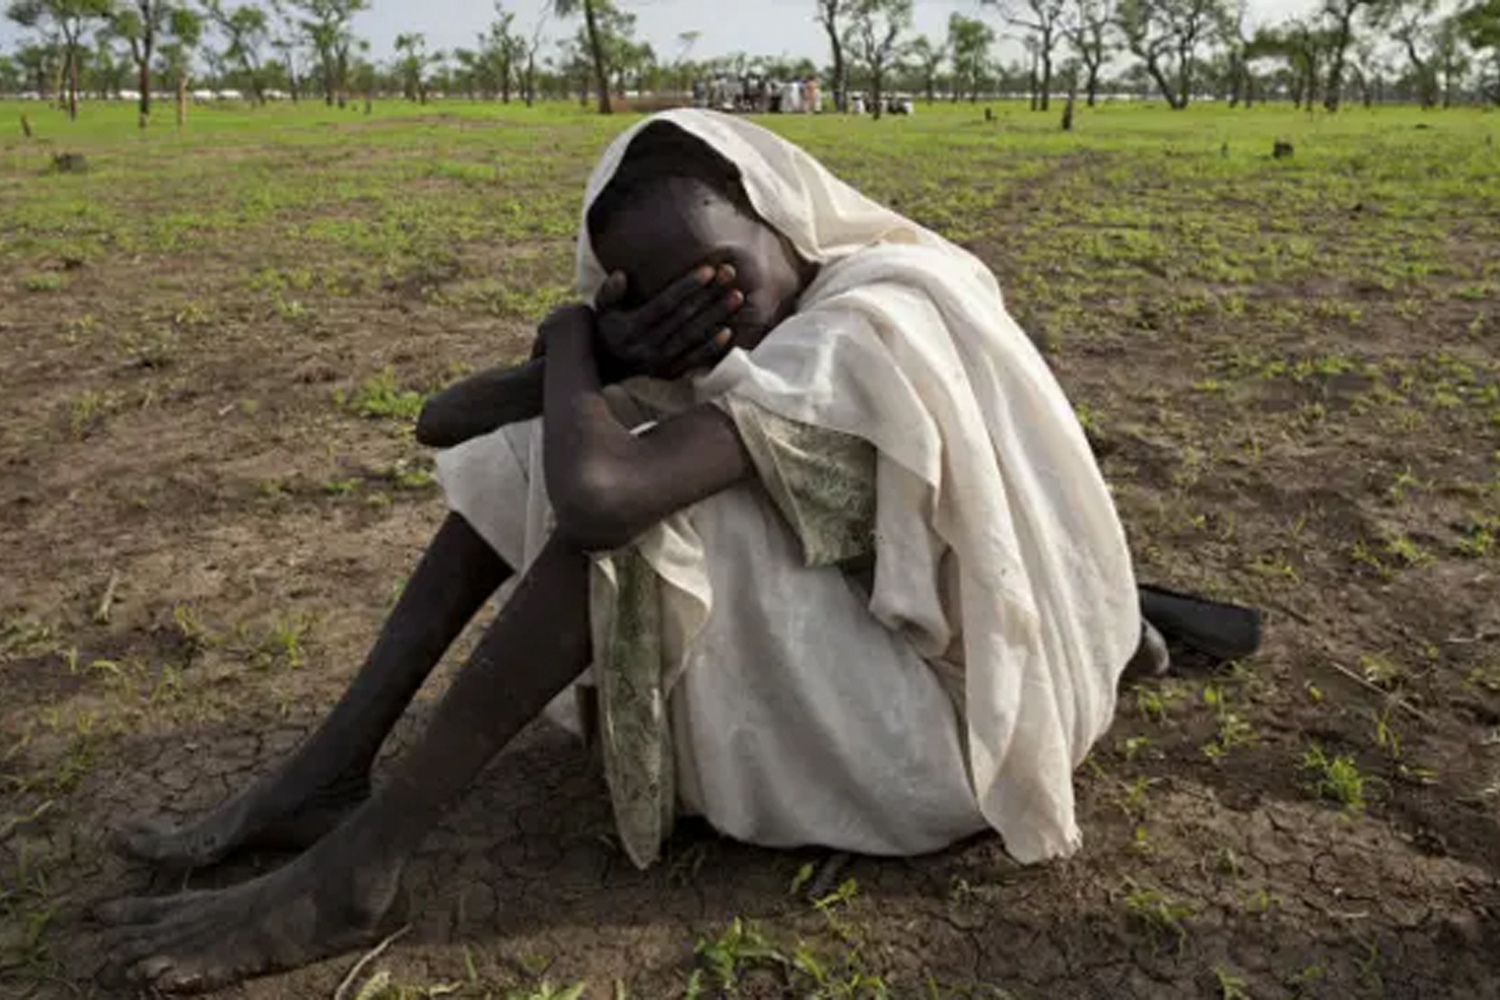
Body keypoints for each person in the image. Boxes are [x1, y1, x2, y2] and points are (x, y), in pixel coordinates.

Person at [97, 110, 1259, 992]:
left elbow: (602, 500)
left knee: (633, 515)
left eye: (725, 275)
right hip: (887, 647)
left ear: (781, 220)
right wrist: (596, 348)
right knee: (527, 460)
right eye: (660, 293)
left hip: (944, 740)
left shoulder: (870, 323)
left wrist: (570, 345)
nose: (711, 314)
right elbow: (442, 424)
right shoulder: (755, 313)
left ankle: (363, 862)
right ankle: (329, 771)